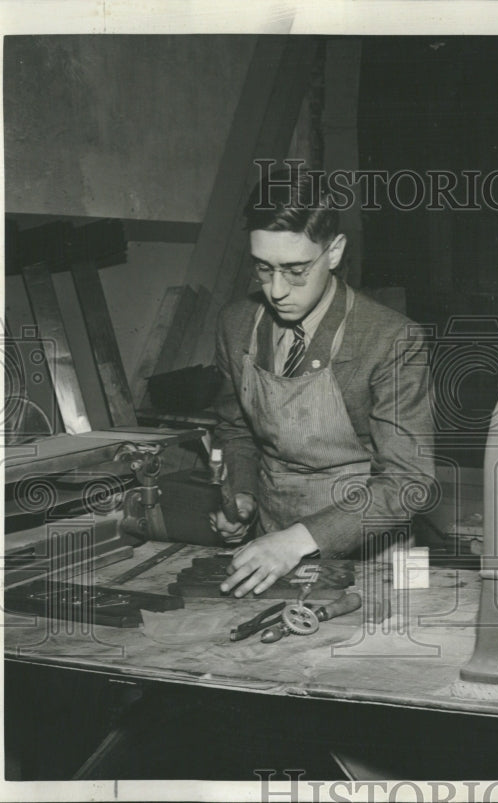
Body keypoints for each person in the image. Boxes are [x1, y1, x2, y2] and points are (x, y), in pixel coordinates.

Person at [210, 168, 435, 597]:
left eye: (295, 270)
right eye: (263, 268)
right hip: (273, 542)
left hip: (377, 550)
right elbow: (236, 429)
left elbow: (410, 482)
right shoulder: (236, 325)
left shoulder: (388, 338)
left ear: (333, 252)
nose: (277, 290)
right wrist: (241, 495)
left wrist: (298, 539)